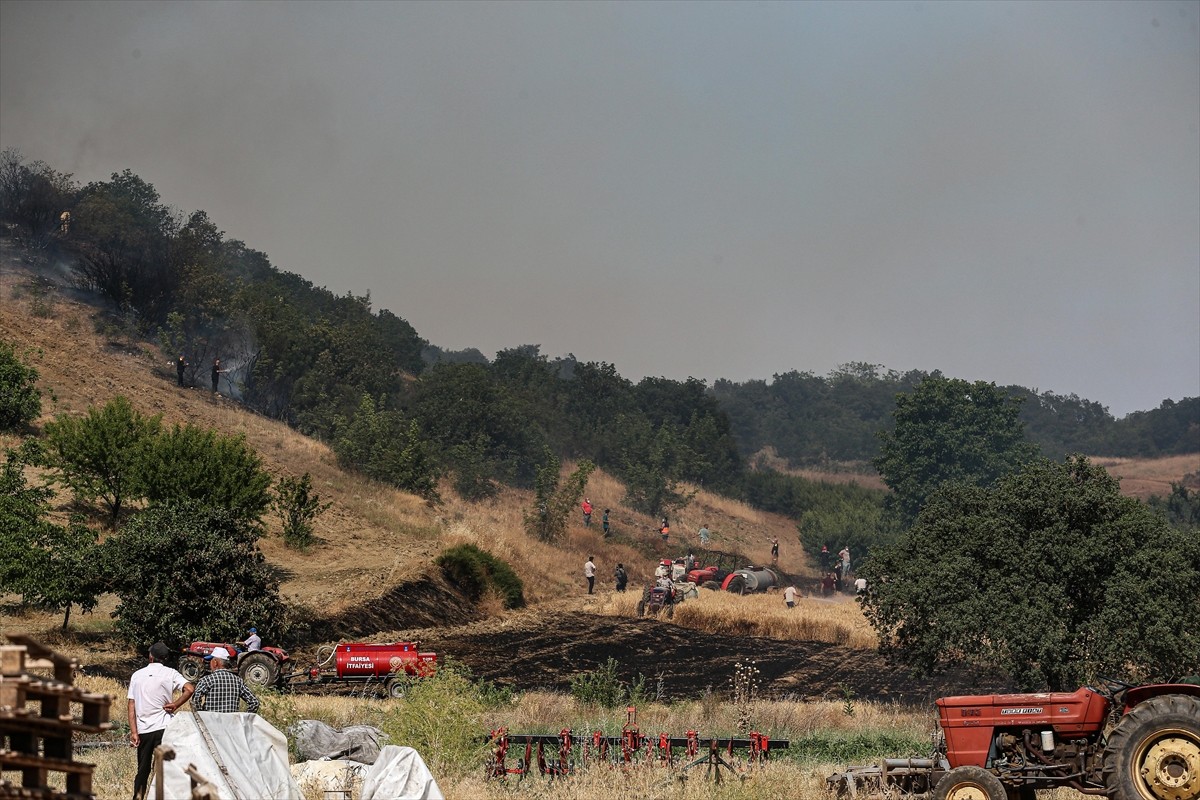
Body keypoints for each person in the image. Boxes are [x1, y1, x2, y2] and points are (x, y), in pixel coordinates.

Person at [128, 642, 195, 800]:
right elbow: (190, 689)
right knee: (165, 768)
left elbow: (131, 705)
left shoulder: (137, 675)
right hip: (165, 727)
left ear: (150, 656)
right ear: (164, 658)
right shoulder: (170, 673)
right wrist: (176, 704)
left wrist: (134, 732)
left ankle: (138, 797)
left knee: (143, 770)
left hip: (144, 729)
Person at [191, 647, 260, 714]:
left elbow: (195, 700)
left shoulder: (206, 680)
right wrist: (244, 718)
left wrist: (202, 715)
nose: (209, 664)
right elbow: (254, 702)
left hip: (210, 721)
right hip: (231, 721)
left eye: (210, 661)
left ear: (215, 662)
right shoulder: (238, 681)